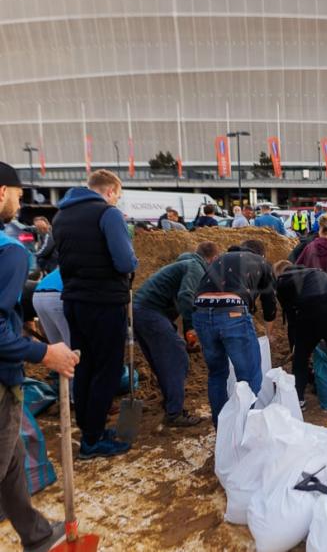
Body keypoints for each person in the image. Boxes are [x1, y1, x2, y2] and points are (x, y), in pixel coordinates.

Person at [0, 163, 79, 552]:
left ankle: (36, 534)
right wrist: (45, 352)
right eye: (17, 193)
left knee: (11, 457)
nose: (20, 202)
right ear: (2, 192)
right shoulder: (9, 251)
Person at [52, 169, 138, 459]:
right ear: (110, 191)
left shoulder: (61, 216)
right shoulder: (108, 214)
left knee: (86, 365)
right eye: (118, 196)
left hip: (74, 300)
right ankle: (93, 439)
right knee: (108, 369)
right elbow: (124, 261)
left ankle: (90, 428)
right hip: (104, 301)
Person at [133, 242, 220, 427]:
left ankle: (170, 403)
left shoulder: (185, 264)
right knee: (176, 357)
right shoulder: (196, 267)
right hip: (150, 312)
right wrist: (194, 325)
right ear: (212, 259)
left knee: (162, 360)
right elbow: (187, 296)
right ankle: (174, 413)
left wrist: (188, 327)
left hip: (140, 312)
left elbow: (185, 296)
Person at [193, 240, 277, 426]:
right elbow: (269, 303)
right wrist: (268, 334)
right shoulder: (261, 263)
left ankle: (221, 428)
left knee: (217, 374)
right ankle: (242, 429)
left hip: (201, 314)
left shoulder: (220, 258)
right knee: (249, 377)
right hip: (233, 313)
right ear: (261, 254)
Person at [274, 262, 327, 425]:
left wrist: (296, 347)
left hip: (309, 312)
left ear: (279, 273)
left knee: (301, 360)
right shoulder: (317, 272)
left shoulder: (282, 280)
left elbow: (291, 318)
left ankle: (298, 401)